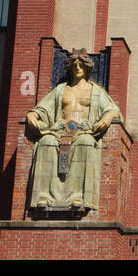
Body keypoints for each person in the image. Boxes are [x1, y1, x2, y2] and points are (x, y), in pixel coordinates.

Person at [25, 49, 122, 213]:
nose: (77, 68)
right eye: (74, 65)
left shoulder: (96, 91)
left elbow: (113, 110)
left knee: (86, 143)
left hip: (84, 131)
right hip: (59, 130)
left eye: (81, 65)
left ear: (87, 68)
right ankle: (45, 196)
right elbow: (43, 108)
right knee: (45, 142)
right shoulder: (61, 90)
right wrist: (33, 114)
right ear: (69, 68)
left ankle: (78, 196)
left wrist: (107, 118)